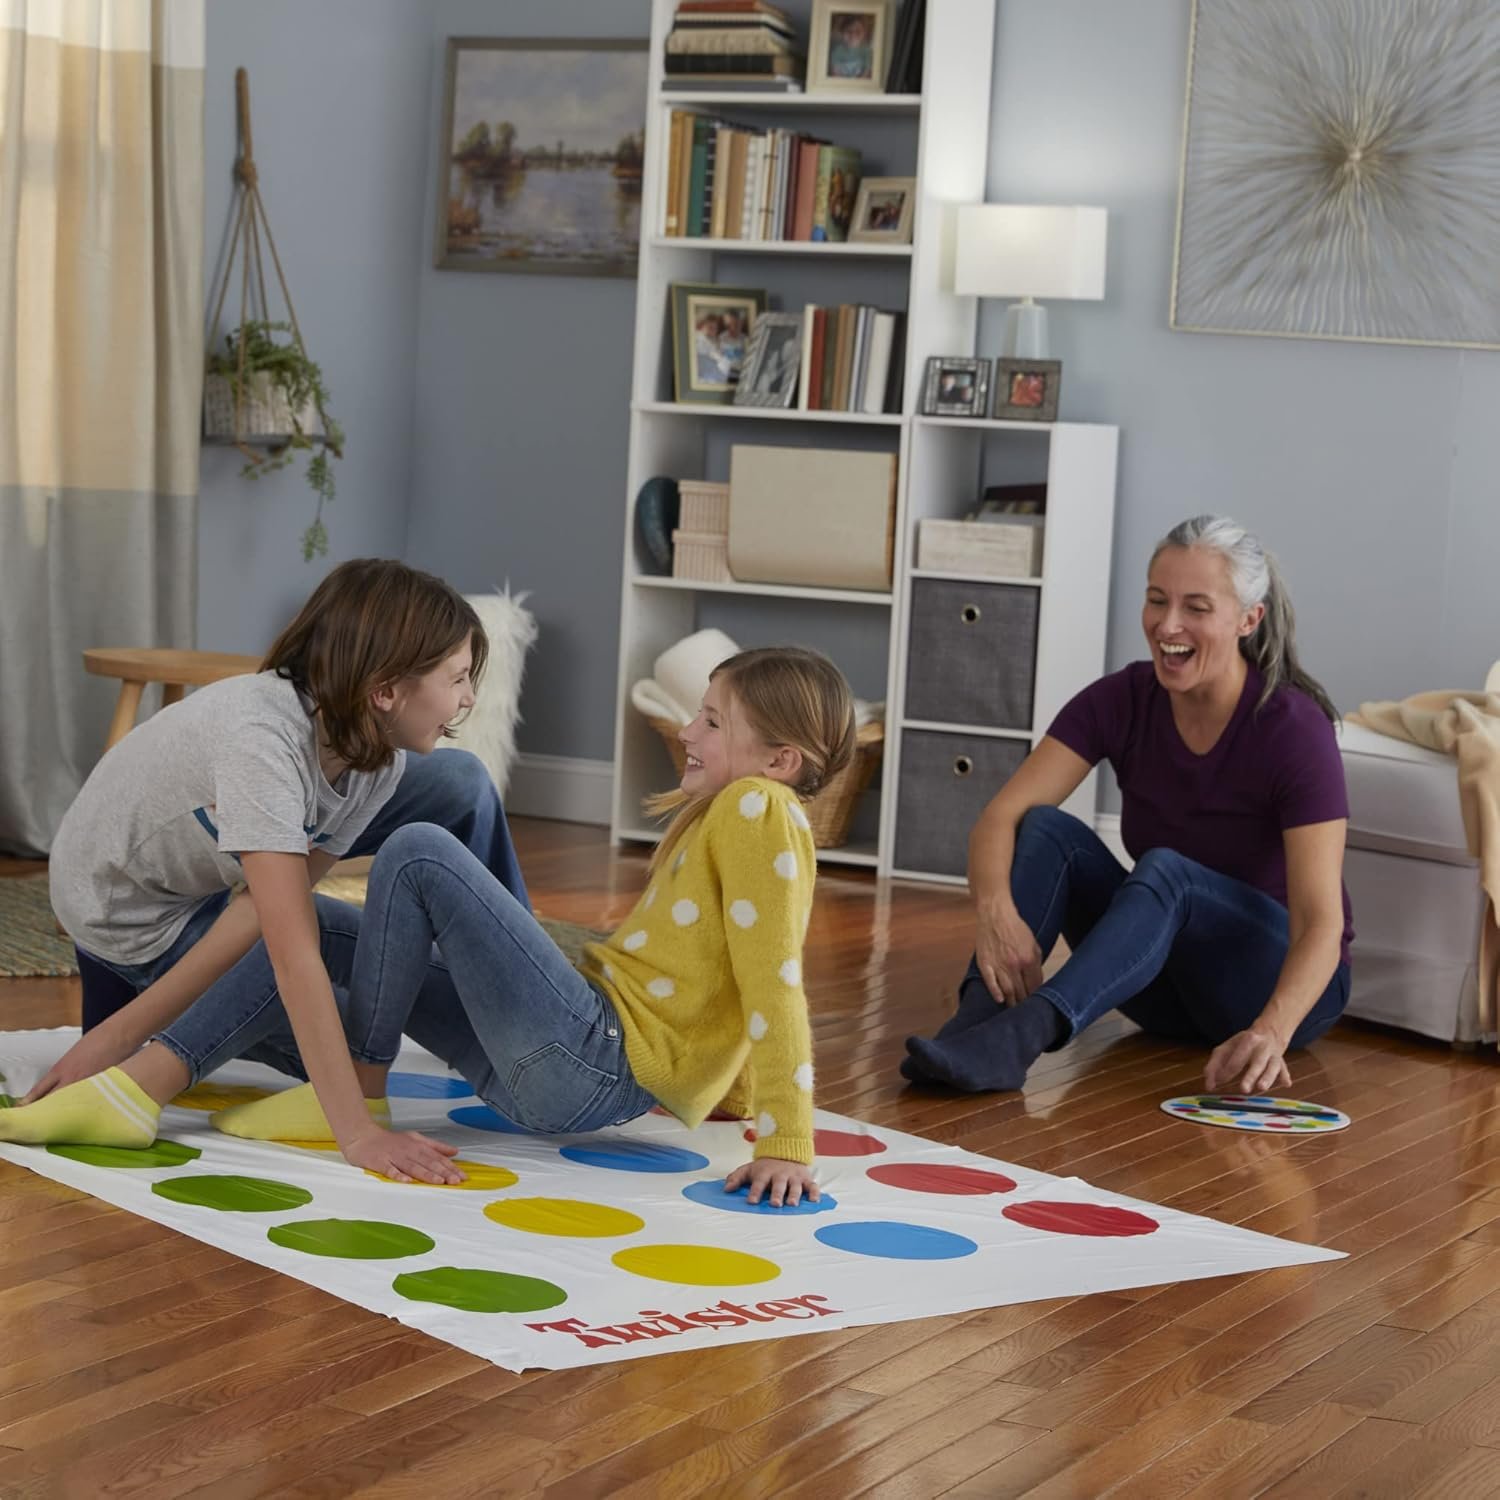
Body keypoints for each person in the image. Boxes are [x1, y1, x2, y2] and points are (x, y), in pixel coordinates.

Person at [3, 559, 528, 1185]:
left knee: (459, 785)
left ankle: (529, 1001)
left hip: (207, 888)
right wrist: (357, 1131)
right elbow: (291, 952)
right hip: (129, 921)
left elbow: (271, 904)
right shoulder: (261, 742)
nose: (470, 698)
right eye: (459, 678)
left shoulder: (375, 761)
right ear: (385, 691)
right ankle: (139, 1074)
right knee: (356, 1038)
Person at [903, 515, 1352, 1097]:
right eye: (1157, 600)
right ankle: (973, 1030)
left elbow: (1321, 924)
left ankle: (1021, 1036)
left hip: (1272, 995)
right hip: (1164, 993)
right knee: (1045, 828)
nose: (1168, 624)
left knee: (1169, 872)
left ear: (1248, 619)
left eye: (1196, 607)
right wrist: (994, 913)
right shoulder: (1122, 699)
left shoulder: (1293, 729)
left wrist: (1272, 1030)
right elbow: (999, 819)